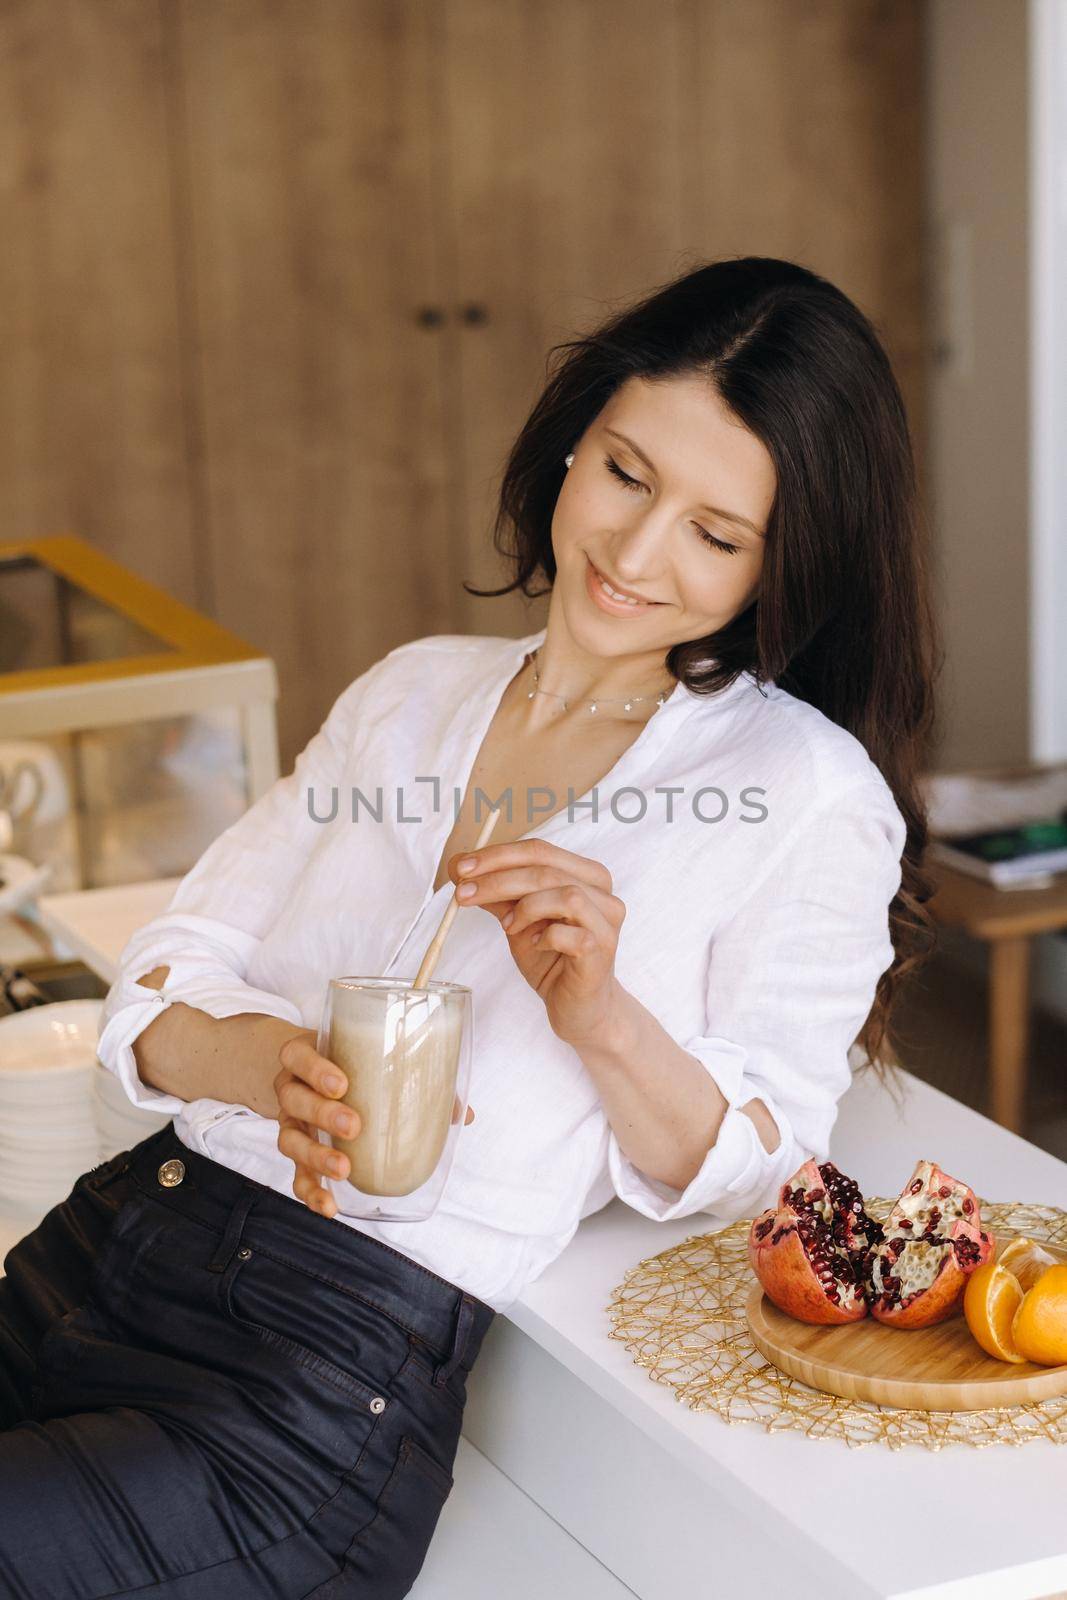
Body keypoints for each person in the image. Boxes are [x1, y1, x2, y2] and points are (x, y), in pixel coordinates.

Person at [0, 256, 938, 1598]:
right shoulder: (411, 694)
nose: (634, 551)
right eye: (626, 473)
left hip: (304, 1395)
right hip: (104, 1249)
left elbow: (768, 1173)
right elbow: (164, 975)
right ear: (570, 448)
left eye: (716, 537)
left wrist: (601, 1015)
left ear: (781, 570)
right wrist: (265, 1064)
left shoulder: (805, 794)